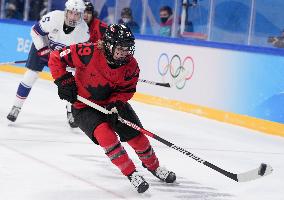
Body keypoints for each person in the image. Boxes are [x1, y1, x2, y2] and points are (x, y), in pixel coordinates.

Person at [48, 24, 176, 193]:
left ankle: (154, 166)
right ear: (108, 44)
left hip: (112, 105)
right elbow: (56, 57)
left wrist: (116, 103)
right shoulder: (88, 52)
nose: (125, 52)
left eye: (127, 48)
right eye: (121, 47)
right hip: (84, 106)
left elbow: (127, 90)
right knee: (106, 137)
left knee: (136, 136)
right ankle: (131, 173)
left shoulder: (131, 65)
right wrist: (63, 80)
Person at [7, 0, 89, 128]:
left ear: (81, 15)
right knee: (30, 75)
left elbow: (78, 55)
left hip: (62, 57)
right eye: (71, 13)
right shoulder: (54, 17)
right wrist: (43, 50)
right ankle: (16, 107)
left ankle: (71, 112)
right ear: (66, 11)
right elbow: (34, 31)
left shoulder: (83, 32)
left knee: (72, 81)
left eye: (77, 14)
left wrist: (67, 61)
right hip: (43, 47)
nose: (73, 16)